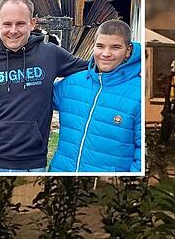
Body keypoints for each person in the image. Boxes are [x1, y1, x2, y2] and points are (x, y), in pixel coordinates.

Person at [0, 0, 88, 172]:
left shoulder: (51, 55)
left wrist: (132, 65)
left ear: (32, 23)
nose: (13, 30)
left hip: (32, 164)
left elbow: (92, 68)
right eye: (7, 24)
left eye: (20, 23)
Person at [49, 20, 141, 172]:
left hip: (105, 188)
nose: (106, 53)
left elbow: (142, 156)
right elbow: (35, 96)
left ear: (128, 50)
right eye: (100, 46)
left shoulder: (138, 93)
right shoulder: (71, 83)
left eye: (115, 47)